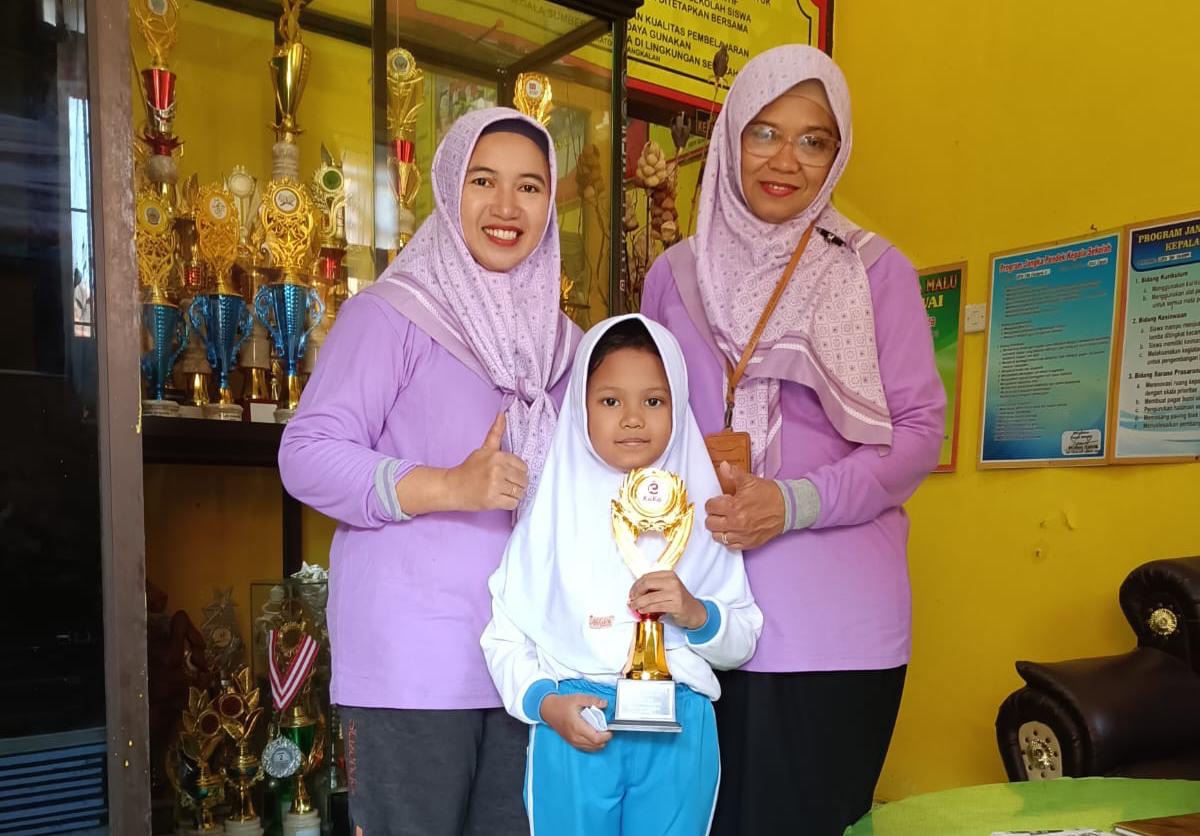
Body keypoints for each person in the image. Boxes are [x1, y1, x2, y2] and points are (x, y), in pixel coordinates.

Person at [640, 45, 947, 835]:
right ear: (731, 136)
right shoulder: (672, 277)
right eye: (765, 133)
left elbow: (917, 434)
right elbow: (647, 429)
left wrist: (795, 502)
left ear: (838, 153)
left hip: (832, 633)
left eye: (814, 140)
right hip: (696, 618)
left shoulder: (875, 272)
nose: (786, 160)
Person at [278, 107, 580, 836]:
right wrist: (450, 486)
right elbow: (307, 454)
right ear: (449, 189)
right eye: (484, 181)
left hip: (530, 672)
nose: (506, 207)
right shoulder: (391, 315)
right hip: (412, 670)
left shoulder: (564, 347)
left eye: (530, 187)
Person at [481, 314, 763, 836]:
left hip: (679, 727)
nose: (633, 418)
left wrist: (696, 613)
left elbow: (741, 638)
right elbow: (503, 637)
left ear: (678, 406)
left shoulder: (704, 517)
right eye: (610, 401)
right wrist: (546, 703)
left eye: (653, 401)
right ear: (580, 409)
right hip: (576, 720)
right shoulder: (548, 521)